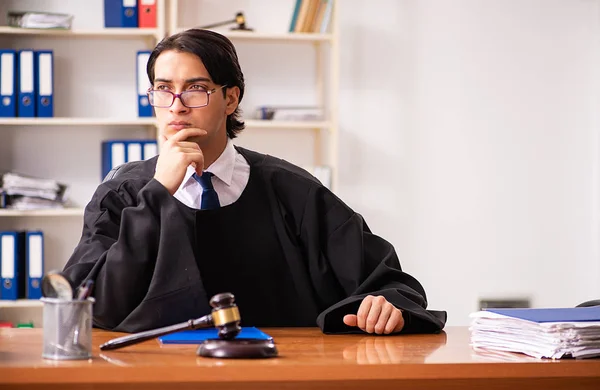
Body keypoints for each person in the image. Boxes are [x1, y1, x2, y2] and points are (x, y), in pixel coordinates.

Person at [62, 29, 446, 335]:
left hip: (280, 376)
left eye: (196, 88)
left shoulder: (293, 191)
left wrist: (385, 306)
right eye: (163, 89)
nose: (176, 104)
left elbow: (392, 285)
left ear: (231, 99)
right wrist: (158, 193)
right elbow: (85, 305)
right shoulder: (123, 193)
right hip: (157, 377)